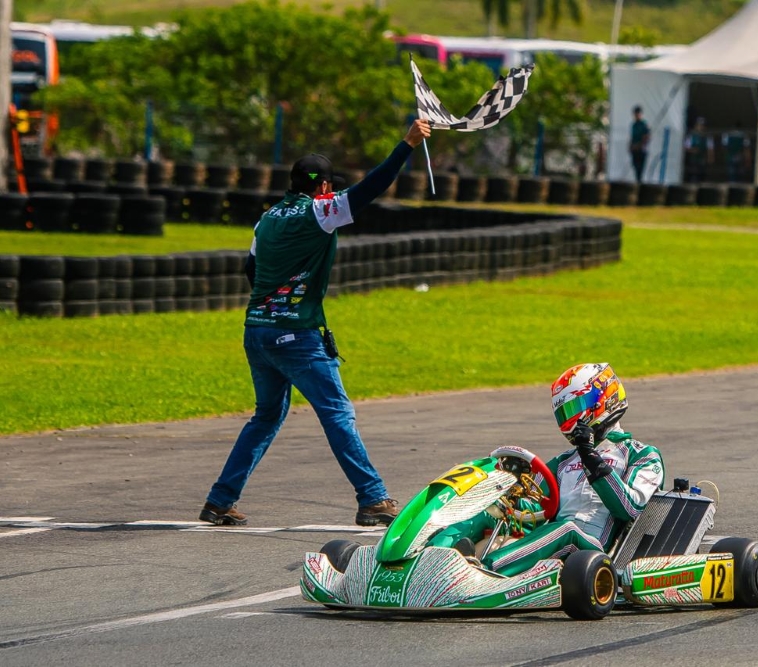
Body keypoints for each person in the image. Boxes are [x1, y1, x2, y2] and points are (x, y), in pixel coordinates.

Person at [199, 119, 433, 528]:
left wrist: (275, 302)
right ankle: (373, 498)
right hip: (297, 336)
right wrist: (406, 145)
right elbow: (368, 190)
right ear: (324, 188)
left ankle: (220, 500)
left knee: (267, 417)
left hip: (257, 330)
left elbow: (250, 269)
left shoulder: (267, 218)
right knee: (337, 413)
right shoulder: (320, 213)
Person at [429, 363, 665, 576]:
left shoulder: (642, 455)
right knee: (486, 508)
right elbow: (536, 511)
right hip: (552, 540)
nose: (571, 420)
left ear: (604, 399)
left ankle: (482, 573)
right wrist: (507, 499)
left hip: (594, 551)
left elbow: (630, 508)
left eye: (576, 408)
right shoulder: (562, 462)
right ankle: (432, 558)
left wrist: (591, 457)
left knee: (565, 530)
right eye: (565, 414)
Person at [684, 117, 714, 183]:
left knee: (702, 176)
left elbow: (710, 149)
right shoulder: (691, 135)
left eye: (703, 126)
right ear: (696, 126)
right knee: (693, 176)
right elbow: (685, 147)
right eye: (699, 125)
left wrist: (710, 158)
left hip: (702, 160)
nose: (701, 127)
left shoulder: (707, 136)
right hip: (693, 159)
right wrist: (693, 150)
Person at [629, 106, 651, 183]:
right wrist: (630, 146)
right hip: (634, 150)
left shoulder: (644, 124)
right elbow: (632, 137)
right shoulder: (634, 125)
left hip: (641, 150)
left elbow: (647, 137)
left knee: (640, 170)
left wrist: (639, 145)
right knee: (635, 169)